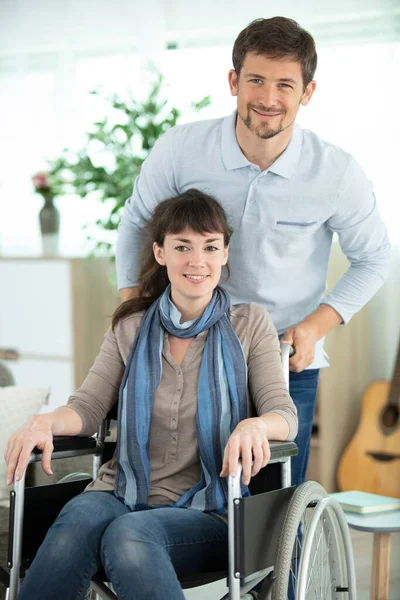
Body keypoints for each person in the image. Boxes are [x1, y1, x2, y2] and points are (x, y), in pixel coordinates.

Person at [115, 16, 390, 487]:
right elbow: (137, 223)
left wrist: (313, 327)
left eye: (285, 84)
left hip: (283, 362)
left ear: (307, 92)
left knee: (273, 512)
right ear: (233, 81)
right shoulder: (182, 149)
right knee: (174, 489)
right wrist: (131, 309)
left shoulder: (337, 173)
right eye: (256, 80)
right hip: (183, 349)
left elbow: (376, 258)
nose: (267, 98)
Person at [5, 190, 297, 600]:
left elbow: (283, 413)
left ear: (225, 254)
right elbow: (88, 407)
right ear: (161, 253)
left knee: (130, 534)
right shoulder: (131, 325)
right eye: (183, 247)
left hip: (212, 507)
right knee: (77, 519)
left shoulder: (249, 324)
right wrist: (45, 421)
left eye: (210, 247)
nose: (198, 261)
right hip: (121, 490)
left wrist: (256, 424)